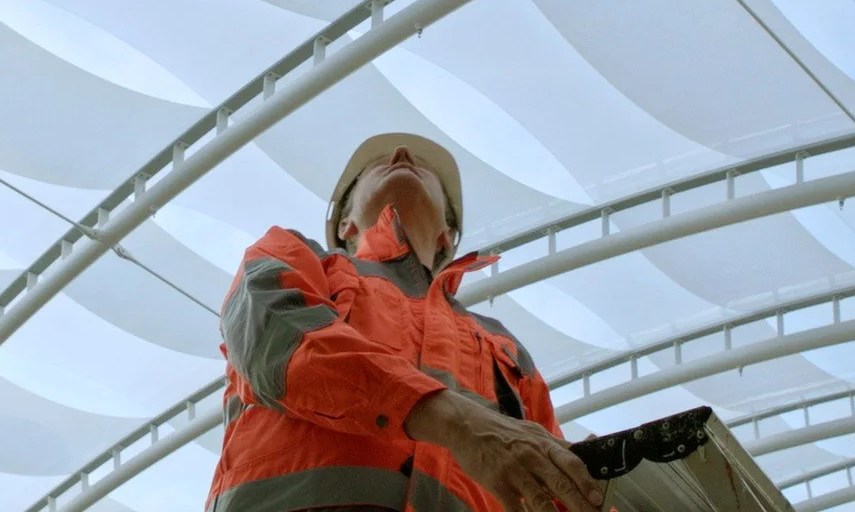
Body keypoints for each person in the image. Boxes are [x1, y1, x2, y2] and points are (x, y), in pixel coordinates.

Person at [207, 133, 603, 512]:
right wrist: (457, 421)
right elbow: (277, 336)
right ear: (346, 224)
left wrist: (596, 479)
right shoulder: (294, 255)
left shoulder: (504, 345)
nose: (401, 153)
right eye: (379, 164)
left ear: (447, 236)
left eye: (422, 166)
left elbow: (547, 472)